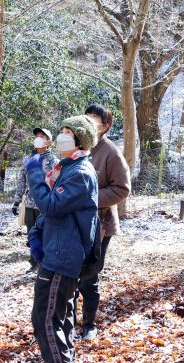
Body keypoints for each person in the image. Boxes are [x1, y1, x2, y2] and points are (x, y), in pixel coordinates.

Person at [25, 115, 98, 363]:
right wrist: (37, 234)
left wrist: (33, 173)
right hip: (57, 250)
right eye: (62, 130)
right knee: (60, 314)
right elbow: (54, 213)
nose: (62, 136)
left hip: (64, 255)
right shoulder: (66, 168)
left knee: (45, 316)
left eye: (68, 132)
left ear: (80, 139)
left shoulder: (80, 173)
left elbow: (52, 205)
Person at [73, 104, 130, 341]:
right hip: (73, 222)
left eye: (95, 118)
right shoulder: (77, 148)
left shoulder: (110, 152)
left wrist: (90, 199)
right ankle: (67, 320)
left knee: (88, 275)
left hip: (100, 224)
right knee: (70, 273)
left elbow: (122, 189)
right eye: (87, 116)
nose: (89, 121)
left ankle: (89, 323)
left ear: (105, 126)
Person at [11, 128, 57, 273]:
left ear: (48, 141)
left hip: (46, 205)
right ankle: (34, 263)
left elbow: (58, 183)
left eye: (42, 136)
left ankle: (47, 264)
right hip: (30, 204)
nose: (38, 138)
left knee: (47, 234)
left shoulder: (53, 160)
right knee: (32, 234)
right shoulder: (28, 160)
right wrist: (16, 201)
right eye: (37, 136)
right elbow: (21, 182)